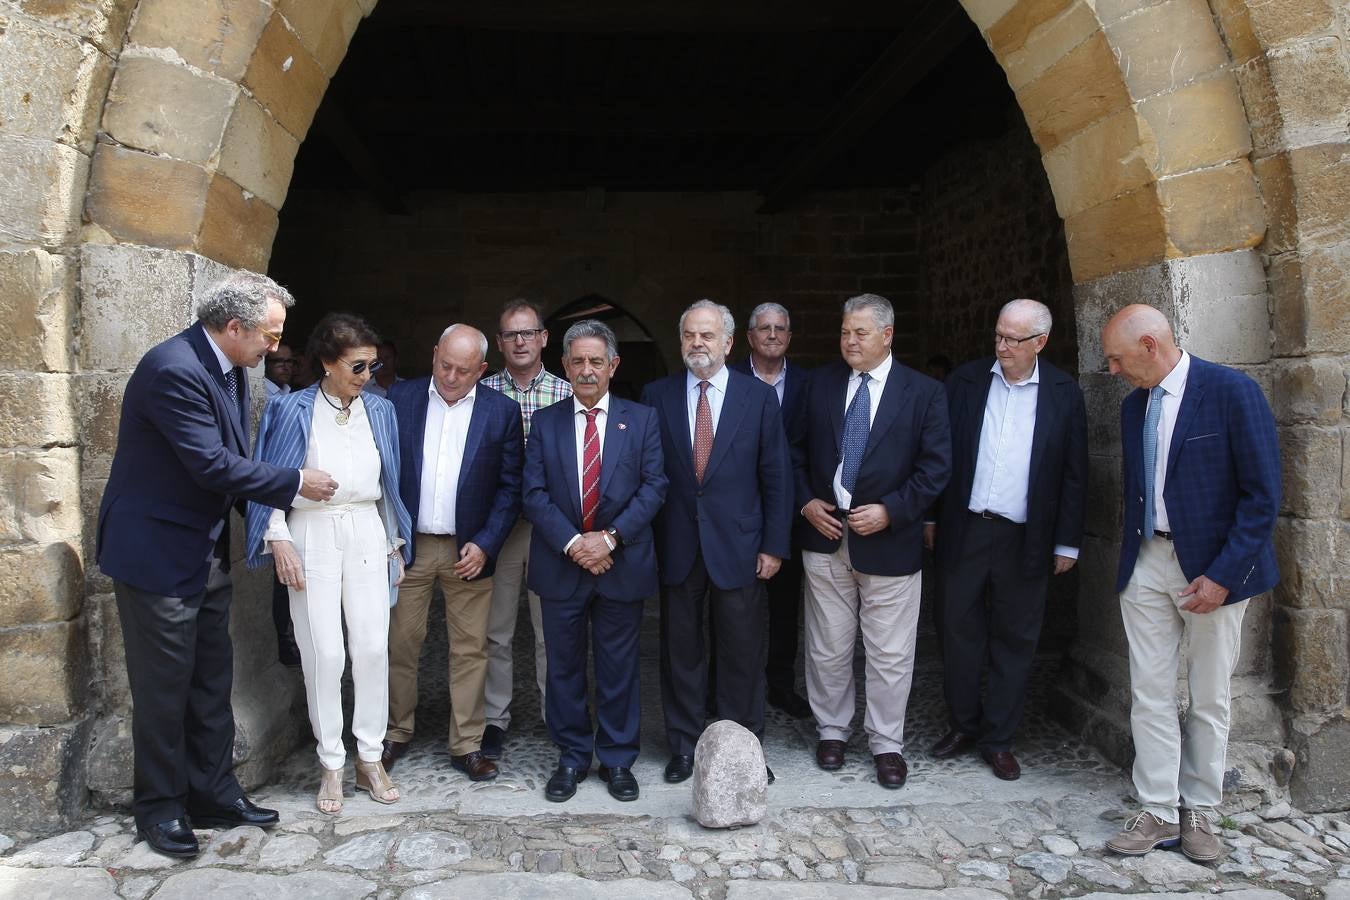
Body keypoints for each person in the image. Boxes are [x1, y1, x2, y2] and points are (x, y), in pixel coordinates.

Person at [96, 272, 338, 858]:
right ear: (235, 328)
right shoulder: (173, 369)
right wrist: (293, 484)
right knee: (163, 693)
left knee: (210, 684)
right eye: (269, 336)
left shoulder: (227, 368)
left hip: (200, 554)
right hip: (156, 557)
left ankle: (212, 794)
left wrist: (272, 531)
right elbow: (211, 465)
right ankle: (159, 809)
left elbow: (227, 460)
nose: (275, 349)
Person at [1100, 305, 1280, 862]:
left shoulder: (1231, 392)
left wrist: (1223, 577)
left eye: (1116, 357)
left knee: (1208, 694)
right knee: (1149, 691)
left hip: (1214, 567)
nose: (1111, 370)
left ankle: (1199, 810)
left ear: (1151, 344)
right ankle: (1156, 808)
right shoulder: (1134, 407)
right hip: (1147, 559)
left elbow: (1262, 496)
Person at [245, 313, 413, 814]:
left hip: (366, 528)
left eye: (373, 365)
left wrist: (393, 545)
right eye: (357, 367)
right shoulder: (292, 409)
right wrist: (278, 539)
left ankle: (370, 756)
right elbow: (268, 478)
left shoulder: (380, 409)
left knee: (370, 647)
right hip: (310, 530)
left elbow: (390, 484)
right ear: (326, 363)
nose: (367, 376)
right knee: (324, 651)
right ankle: (331, 763)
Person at [791, 293, 951, 789]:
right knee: (827, 647)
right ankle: (832, 732)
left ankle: (886, 743)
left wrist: (892, 511)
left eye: (860, 333)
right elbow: (789, 452)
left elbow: (936, 467)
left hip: (890, 543)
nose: (850, 341)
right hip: (826, 536)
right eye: (844, 332)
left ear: (887, 335)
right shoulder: (818, 384)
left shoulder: (923, 392)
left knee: (890, 653)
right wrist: (805, 502)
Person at [924, 299, 1087, 781]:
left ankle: (998, 738)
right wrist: (931, 517)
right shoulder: (966, 382)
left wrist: (1068, 543)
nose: (1002, 346)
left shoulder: (1063, 392)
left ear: (1040, 342)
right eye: (998, 335)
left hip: (1027, 535)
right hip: (966, 528)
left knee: (1015, 639)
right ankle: (962, 724)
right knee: (957, 631)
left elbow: (1075, 474)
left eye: (1013, 339)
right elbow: (940, 455)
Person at [642, 300, 790, 786]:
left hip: (741, 547)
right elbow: (647, 475)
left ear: (729, 342)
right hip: (678, 544)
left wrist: (773, 545)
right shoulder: (656, 396)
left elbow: (776, 476)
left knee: (742, 652)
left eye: (707, 335)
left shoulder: (757, 397)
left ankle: (743, 749)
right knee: (680, 652)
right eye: (689, 335)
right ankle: (685, 746)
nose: (697, 343)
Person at [523, 320, 667, 803]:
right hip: (561, 564)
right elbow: (534, 494)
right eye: (578, 362)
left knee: (618, 667)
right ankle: (571, 757)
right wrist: (574, 544)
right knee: (562, 668)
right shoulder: (545, 423)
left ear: (613, 366)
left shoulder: (641, 419)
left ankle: (619, 759)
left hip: (619, 563)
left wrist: (609, 539)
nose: (587, 371)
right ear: (564, 366)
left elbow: (654, 488)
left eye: (596, 362)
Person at [381, 325, 524, 783]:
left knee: (471, 649)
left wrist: (486, 542)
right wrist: (388, 537)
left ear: (482, 370)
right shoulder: (398, 400)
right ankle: (395, 732)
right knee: (400, 644)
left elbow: (510, 487)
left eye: (463, 371)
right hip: (410, 547)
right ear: (434, 353)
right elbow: (380, 473)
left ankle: (467, 744)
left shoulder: (501, 412)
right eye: (445, 365)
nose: (450, 377)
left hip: (469, 549)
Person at [479, 299, 573, 760]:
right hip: (500, 527)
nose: (520, 341)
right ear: (499, 342)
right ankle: (494, 719)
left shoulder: (565, 392)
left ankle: (556, 715)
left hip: (550, 528)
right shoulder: (481, 391)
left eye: (527, 333)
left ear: (543, 338)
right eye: (510, 334)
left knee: (550, 628)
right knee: (494, 630)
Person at [731, 301, 812, 719]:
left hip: (791, 513)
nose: (774, 335)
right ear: (749, 337)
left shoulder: (809, 385)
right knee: (729, 605)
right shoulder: (728, 381)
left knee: (784, 607)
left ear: (790, 337)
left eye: (782, 328)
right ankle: (723, 686)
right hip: (737, 513)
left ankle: (779, 684)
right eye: (765, 328)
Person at [262, 342, 301, 666]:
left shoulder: (290, 393)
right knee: (281, 578)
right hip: (275, 489)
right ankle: (285, 641)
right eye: (278, 362)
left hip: (293, 491)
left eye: (289, 362)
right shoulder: (266, 396)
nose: (285, 367)